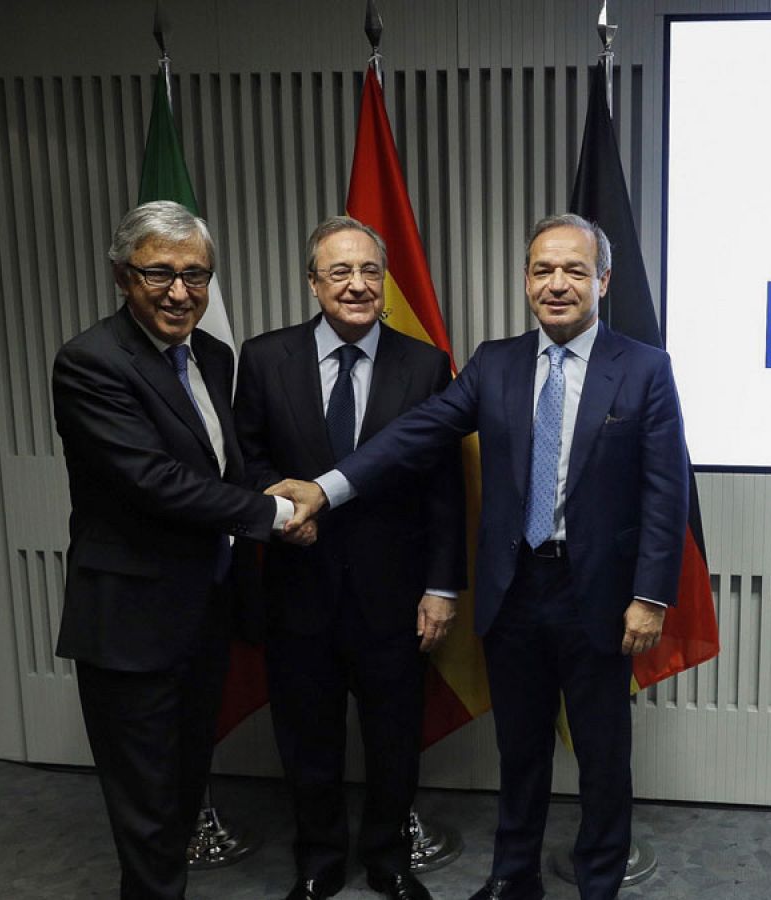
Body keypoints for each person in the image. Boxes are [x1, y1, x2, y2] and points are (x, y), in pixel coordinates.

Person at [270, 213, 690, 900]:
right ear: (526, 279)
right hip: (513, 589)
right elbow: (416, 434)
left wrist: (650, 596)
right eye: (542, 270)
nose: (557, 285)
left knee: (603, 755)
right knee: (518, 749)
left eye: (574, 271)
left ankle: (598, 879)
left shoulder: (643, 369)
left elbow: (666, 493)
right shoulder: (494, 363)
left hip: (602, 597)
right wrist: (325, 487)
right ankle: (512, 874)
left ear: (603, 281)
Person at [51, 200, 308, 900]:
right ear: (121, 275)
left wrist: (267, 487)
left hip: (202, 610)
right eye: (158, 273)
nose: (178, 292)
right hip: (130, 623)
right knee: (147, 812)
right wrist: (275, 511)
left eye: (196, 276)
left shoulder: (213, 354)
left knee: (183, 789)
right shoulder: (90, 362)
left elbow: (216, 468)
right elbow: (153, 483)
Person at [232, 216, 466, 900]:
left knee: (395, 738)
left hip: (394, 594)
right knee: (307, 737)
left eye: (370, 271)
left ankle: (388, 858)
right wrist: (277, 517)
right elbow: (246, 461)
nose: (358, 285)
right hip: (297, 585)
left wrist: (442, 587)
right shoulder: (265, 357)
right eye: (340, 272)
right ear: (313, 283)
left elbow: (444, 489)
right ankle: (318, 859)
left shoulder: (424, 365)